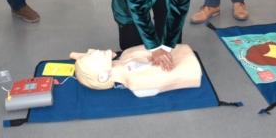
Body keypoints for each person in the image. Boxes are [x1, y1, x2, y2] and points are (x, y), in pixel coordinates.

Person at [69, 43, 201, 97]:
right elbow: (184, 71)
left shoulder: (127, 54)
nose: (95, 51)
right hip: (191, 66)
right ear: (102, 77)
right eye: (93, 57)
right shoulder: (137, 83)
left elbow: (163, 47)